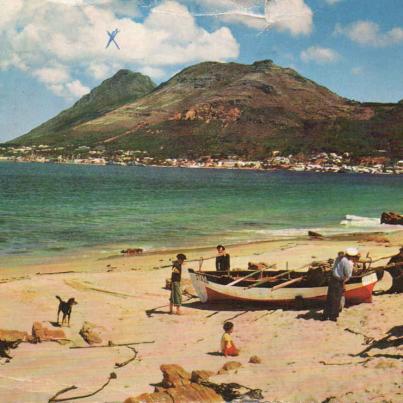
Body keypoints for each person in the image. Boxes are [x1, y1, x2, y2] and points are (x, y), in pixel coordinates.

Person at [322, 247, 359, 322]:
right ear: (352, 256)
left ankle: (325, 315)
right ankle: (333, 316)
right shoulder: (347, 262)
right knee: (336, 299)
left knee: (330, 297)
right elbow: (348, 274)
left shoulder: (338, 258)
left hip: (332, 279)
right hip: (338, 280)